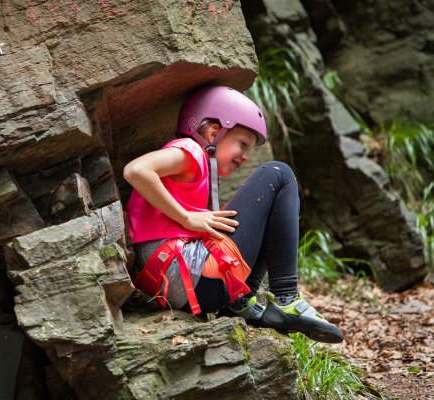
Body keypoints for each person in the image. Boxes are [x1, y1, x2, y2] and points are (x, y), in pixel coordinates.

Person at [123, 85, 343, 343]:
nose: (247, 157)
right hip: (185, 276)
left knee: (269, 208)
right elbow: (136, 170)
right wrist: (187, 217)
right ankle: (286, 298)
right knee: (279, 174)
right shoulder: (191, 150)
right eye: (243, 144)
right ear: (214, 132)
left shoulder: (199, 169)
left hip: (180, 283)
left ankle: (240, 302)